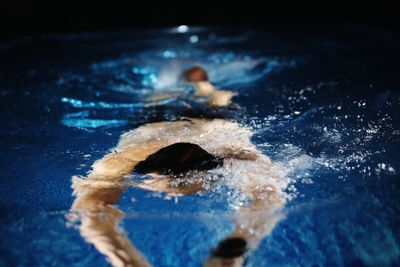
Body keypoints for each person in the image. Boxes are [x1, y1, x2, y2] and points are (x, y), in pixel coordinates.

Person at [69, 67, 289, 267]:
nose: (170, 195)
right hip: (158, 121)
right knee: (166, 94)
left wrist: (229, 252)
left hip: (211, 120)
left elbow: (271, 196)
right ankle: (193, 79)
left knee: (214, 95)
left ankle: (199, 81)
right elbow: (88, 208)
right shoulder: (127, 158)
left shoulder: (232, 151)